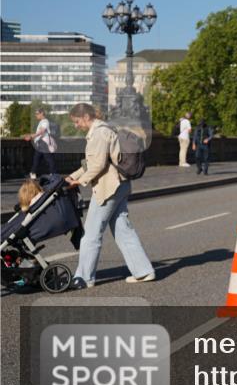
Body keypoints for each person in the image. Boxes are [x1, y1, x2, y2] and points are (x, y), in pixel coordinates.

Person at [65, 103, 156, 289]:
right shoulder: (106, 129)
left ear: (85, 117)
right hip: (120, 185)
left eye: (76, 121)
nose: (76, 125)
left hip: (109, 187)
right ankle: (143, 271)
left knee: (91, 234)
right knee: (123, 230)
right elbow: (91, 163)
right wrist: (72, 176)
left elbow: (97, 165)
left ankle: (84, 278)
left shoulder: (99, 133)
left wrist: (79, 182)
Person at [24, 108, 57, 179]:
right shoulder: (42, 121)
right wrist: (32, 136)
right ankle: (33, 172)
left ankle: (53, 173)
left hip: (43, 142)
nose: (36, 115)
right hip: (41, 142)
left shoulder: (45, 121)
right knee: (37, 158)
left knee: (47, 158)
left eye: (37, 114)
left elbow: (42, 131)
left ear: (42, 113)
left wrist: (31, 136)